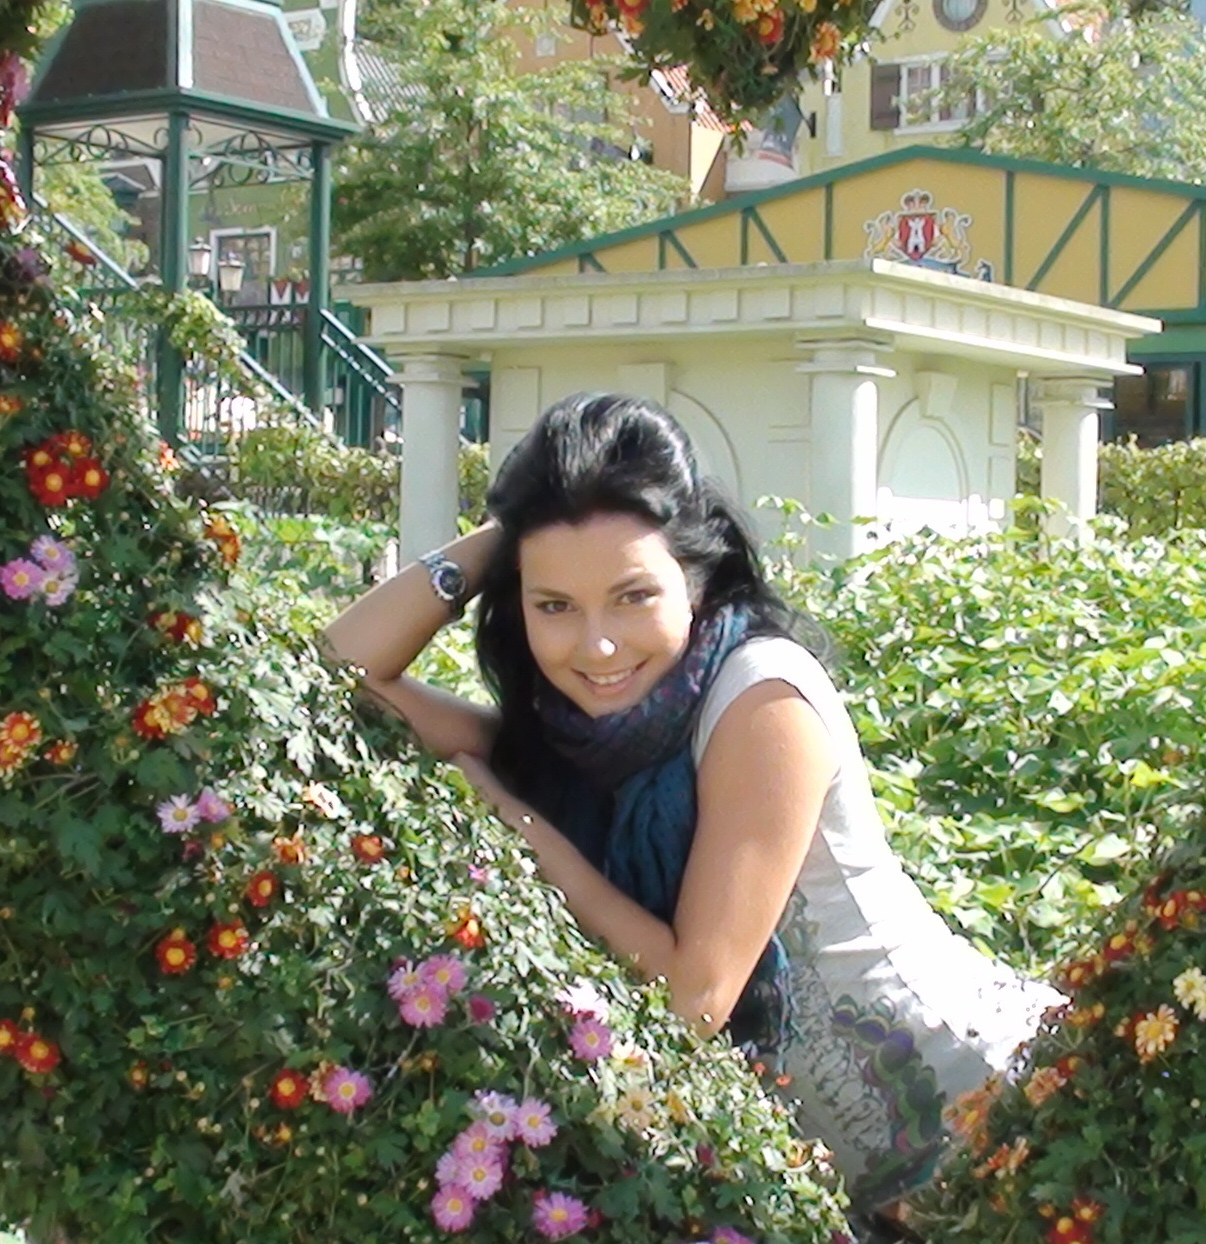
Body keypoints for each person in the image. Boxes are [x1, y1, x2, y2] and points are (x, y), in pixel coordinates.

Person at [319, 393, 1060, 1234]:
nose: (597, 645)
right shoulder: (564, 738)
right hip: (867, 1198)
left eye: (632, 595)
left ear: (697, 577)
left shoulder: (763, 697)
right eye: (555, 605)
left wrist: (516, 826)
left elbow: (694, 999)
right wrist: (501, 535)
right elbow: (335, 673)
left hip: (999, 1125)